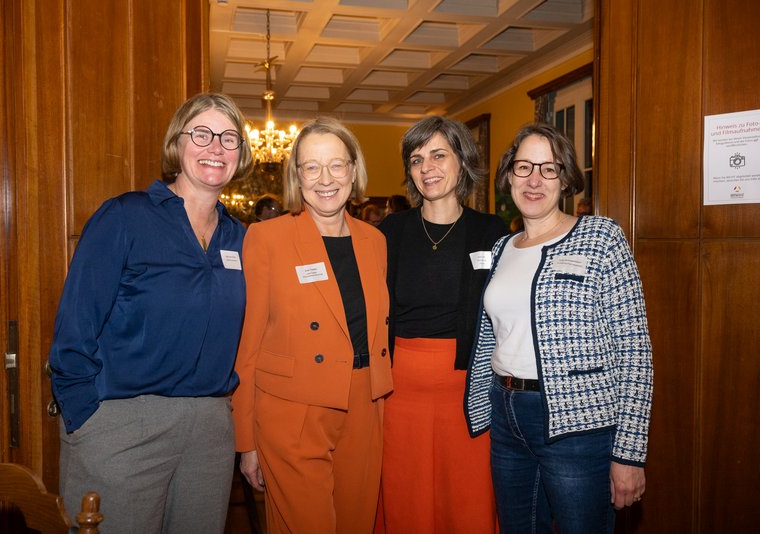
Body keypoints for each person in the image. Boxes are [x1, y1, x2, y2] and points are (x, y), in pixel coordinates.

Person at [48, 92, 253, 534]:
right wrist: (87, 420)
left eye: (229, 138)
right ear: (177, 144)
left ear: (242, 153)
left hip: (210, 430)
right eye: (202, 133)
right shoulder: (126, 216)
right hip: (122, 425)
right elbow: (74, 329)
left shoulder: (242, 238)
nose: (216, 147)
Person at [465, 123, 653, 533]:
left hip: (579, 426)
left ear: (566, 178)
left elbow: (635, 352)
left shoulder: (602, 237)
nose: (534, 180)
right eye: (523, 167)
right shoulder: (502, 248)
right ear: (508, 176)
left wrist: (629, 453)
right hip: (507, 414)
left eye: (548, 169)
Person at [232, 117, 393, 533]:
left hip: (364, 402)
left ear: (353, 172)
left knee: (357, 523)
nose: (326, 179)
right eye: (312, 167)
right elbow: (247, 346)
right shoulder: (266, 238)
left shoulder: (374, 241)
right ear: (296, 175)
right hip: (292, 410)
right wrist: (246, 441)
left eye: (337, 165)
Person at [375, 115, 507, 533]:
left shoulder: (492, 231)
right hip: (398, 389)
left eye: (438, 155)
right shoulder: (389, 232)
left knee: (466, 498)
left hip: (468, 388)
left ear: (462, 161)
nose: (426, 167)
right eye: (416, 160)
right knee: (403, 493)